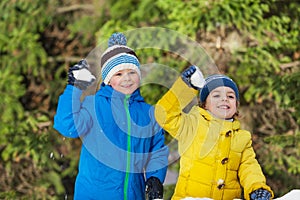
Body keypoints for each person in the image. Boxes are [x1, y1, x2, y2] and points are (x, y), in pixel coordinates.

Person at [53, 32, 168, 200]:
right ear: (108, 79)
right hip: (94, 194)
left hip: (133, 195)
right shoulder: (94, 105)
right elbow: (67, 126)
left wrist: (155, 177)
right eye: (119, 74)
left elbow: (156, 151)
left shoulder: (148, 113)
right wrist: (74, 88)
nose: (127, 79)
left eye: (132, 72)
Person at [154, 65, 274, 200]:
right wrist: (186, 87)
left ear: (236, 105)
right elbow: (164, 114)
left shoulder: (242, 138)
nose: (224, 99)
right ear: (204, 104)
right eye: (217, 95)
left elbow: (249, 167)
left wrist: (257, 188)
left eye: (230, 96)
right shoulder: (192, 125)